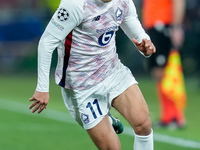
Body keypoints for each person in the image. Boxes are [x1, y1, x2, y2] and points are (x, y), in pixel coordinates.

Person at [29, 0, 156, 149]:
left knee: (143, 124)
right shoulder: (75, 4)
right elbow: (47, 42)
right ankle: (105, 118)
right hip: (82, 86)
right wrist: (42, 88)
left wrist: (146, 46)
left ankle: (106, 117)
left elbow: (136, 30)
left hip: (113, 72)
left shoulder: (123, 2)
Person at [142, 0, 186, 128]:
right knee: (158, 72)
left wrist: (176, 27)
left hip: (163, 25)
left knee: (167, 70)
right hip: (153, 26)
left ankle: (175, 116)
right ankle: (168, 116)